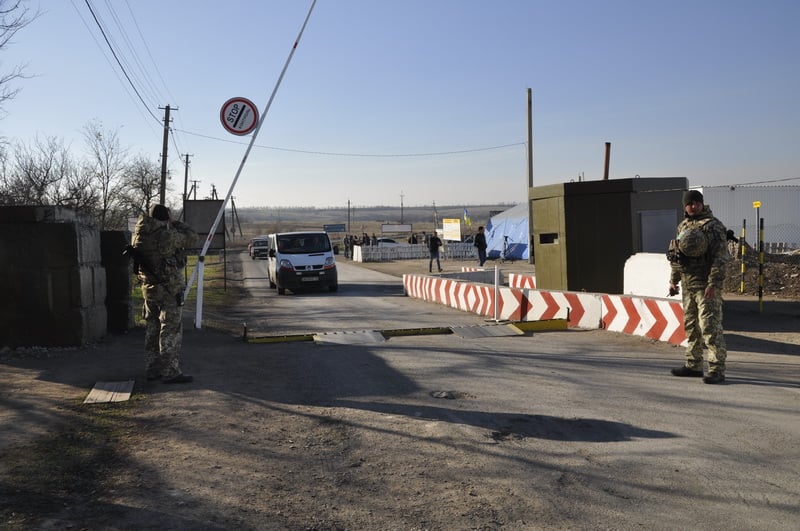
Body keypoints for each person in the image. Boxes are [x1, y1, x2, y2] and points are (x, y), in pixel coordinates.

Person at [668, 190, 730, 384]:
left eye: (696, 203)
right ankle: (693, 365)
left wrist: (713, 283)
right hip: (688, 285)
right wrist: (673, 280)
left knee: (710, 327)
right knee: (691, 326)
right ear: (684, 206)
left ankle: (716, 369)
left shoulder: (713, 226)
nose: (693, 206)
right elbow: (677, 256)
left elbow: (720, 258)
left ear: (702, 204)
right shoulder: (683, 226)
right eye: (689, 203)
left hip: (706, 285)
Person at [131, 204, 198, 384]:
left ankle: (152, 369)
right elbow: (192, 237)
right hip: (168, 289)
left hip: (149, 288)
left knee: (152, 329)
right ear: (165, 217)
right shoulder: (165, 235)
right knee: (170, 330)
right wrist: (175, 223)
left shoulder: (139, 234)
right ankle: (170, 372)